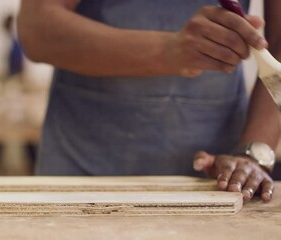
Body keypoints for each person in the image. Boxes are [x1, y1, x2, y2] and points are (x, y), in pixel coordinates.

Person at [17, 0, 281, 202]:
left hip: (218, 174)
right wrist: (167, 51)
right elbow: (36, 27)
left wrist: (253, 154)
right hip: (83, 165)